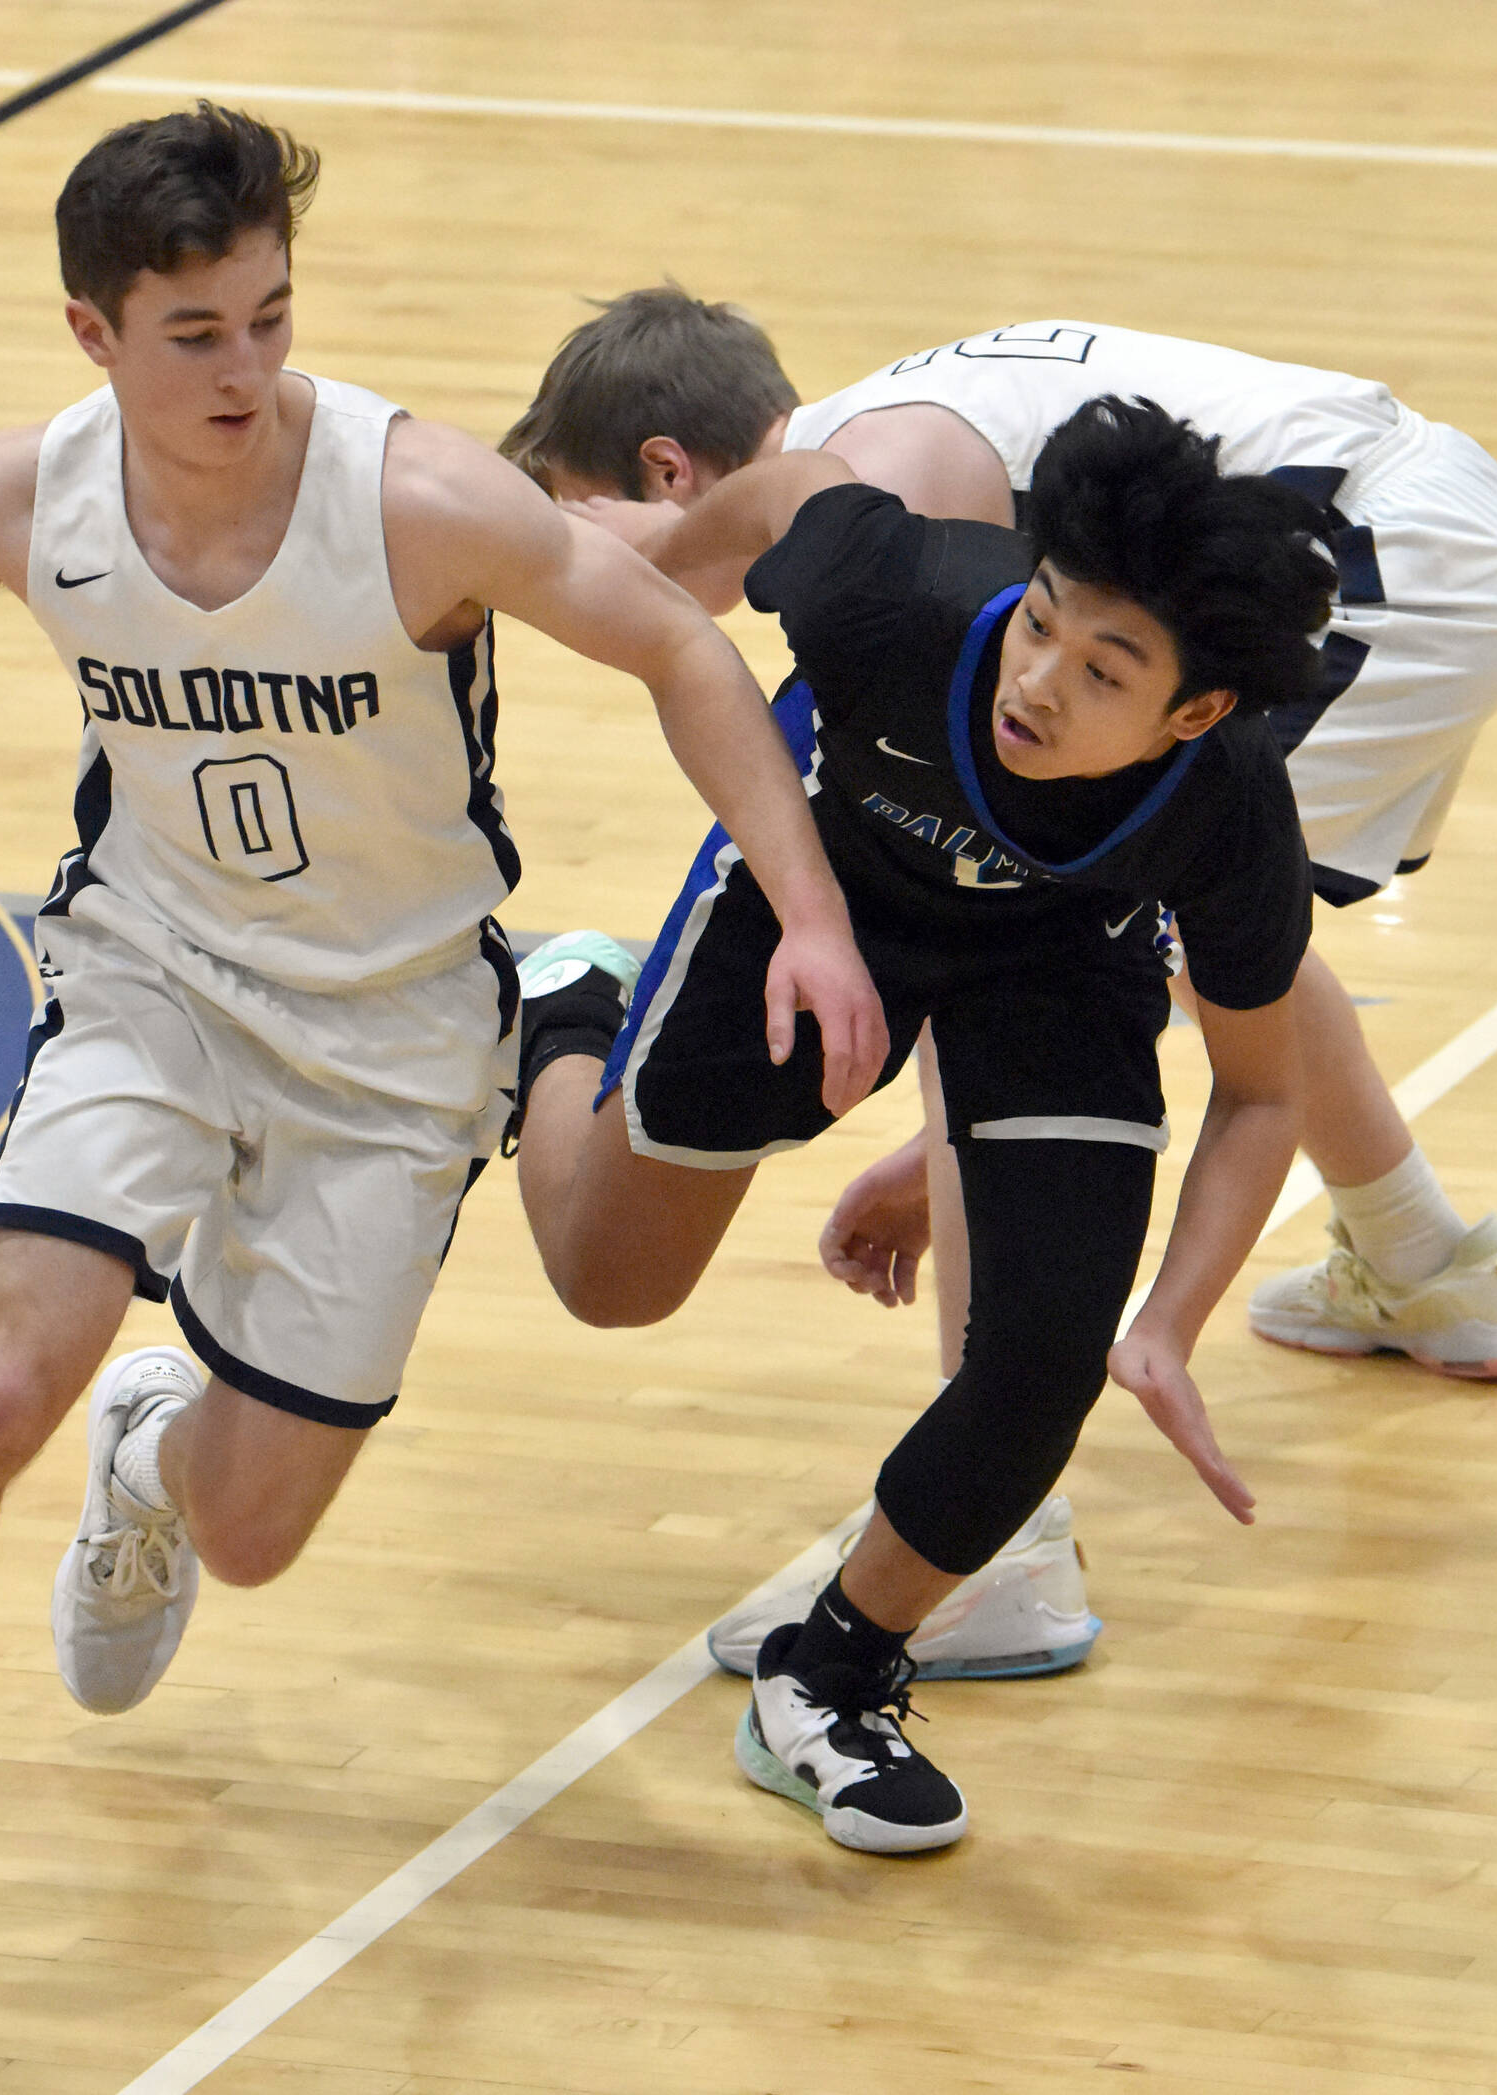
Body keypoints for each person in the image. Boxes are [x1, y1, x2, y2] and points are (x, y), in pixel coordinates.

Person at [0, 109, 870, 2012]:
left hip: (400, 1039)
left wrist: (804, 911)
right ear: (94, 333)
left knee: (250, 1541)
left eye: (268, 317)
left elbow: (676, 647)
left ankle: (160, 1449)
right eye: (196, 334)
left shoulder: (414, 497)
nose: (246, 370)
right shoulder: (19, 498)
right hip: (147, 985)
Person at [507, 396, 1333, 1854]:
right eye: (1043, 625)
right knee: (607, 1280)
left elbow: (1264, 1089)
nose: (1041, 679)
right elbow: (790, 493)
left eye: (1104, 670)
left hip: (1058, 960)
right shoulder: (899, 594)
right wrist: (667, 550)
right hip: (822, 889)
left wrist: (1170, 1321)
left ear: (1193, 712)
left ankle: (826, 1678)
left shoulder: (1228, 806)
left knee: (1045, 1355)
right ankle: (566, 1005)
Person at [504, 290, 1497, 1391]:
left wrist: (940, 1158)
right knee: (1216, 927)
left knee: (1014, 906)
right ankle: (1419, 1259)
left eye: (582, 527)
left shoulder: (880, 469)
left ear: (666, 476)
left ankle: (1001, 1522)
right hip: (1446, 537)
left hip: (1382, 563)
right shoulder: (886, 433)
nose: (594, 581)